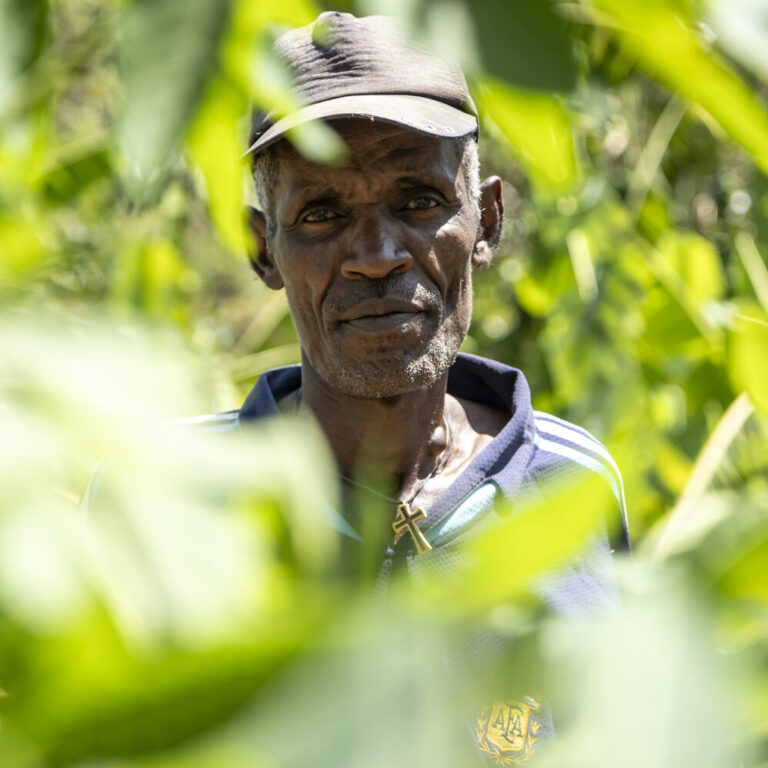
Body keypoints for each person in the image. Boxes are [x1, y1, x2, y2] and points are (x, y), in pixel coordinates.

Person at [191, 11, 629, 764]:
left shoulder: (575, 488)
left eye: (418, 201)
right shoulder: (175, 496)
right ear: (264, 248)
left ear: (486, 220)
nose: (376, 255)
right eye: (322, 212)